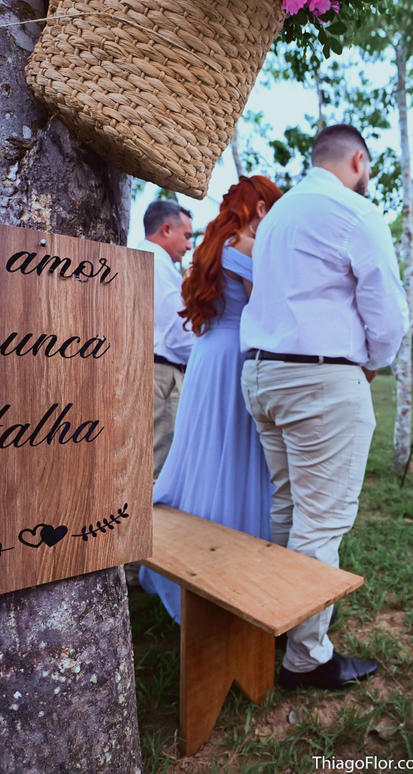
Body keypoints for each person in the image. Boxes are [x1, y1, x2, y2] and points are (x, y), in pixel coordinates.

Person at [240, 124, 410, 690]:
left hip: (262, 372)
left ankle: (284, 620)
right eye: (369, 168)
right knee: (320, 521)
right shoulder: (353, 212)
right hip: (317, 378)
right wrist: (375, 360)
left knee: (289, 505)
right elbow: (386, 309)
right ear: (358, 160)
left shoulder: (277, 216)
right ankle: (307, 657)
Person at [139, 177, 284, 621]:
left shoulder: (208, 248)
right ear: (260, 208)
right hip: (235, 356)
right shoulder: (249, 247)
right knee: (238, 454)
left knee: (205, 452)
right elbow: (266, 312)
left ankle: (188, 554)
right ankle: (233, 569)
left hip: (205, 356)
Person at [136, 200, 196, 480]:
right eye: (187, 236)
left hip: (147, 368)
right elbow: (176, 332)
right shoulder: (158, 265)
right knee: (157, 464)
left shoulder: (140, 256)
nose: (189, 246)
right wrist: (204, 356)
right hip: (161, 374)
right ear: (167, 229)